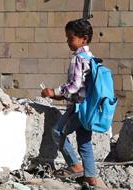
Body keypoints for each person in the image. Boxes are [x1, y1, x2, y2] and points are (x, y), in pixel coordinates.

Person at [41, 18, 99, 187]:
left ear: (84, 39)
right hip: (89, 107)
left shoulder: (78, 59)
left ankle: (74, 164)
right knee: (84, 141)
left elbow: (74, 86)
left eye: (71, 38)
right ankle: (91, 177)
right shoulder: (92, 58)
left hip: (78, 106)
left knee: (58, 132)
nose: (68, 42)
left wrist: (54, 92)